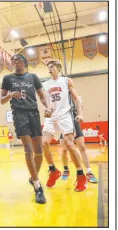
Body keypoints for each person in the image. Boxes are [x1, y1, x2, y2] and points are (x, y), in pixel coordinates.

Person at [0, 54, 51, 204]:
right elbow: (2, 100)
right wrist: (9, 95)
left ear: (24, 62)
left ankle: (33, 176)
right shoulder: (8, 79)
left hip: (34, 113)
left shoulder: (33, 77)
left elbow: (42, 95)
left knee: (39, 151)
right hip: (19, 115)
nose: (15, 63)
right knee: (28, 150)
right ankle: (37, 186)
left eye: (18, 60)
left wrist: (47, 107)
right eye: (13, 61)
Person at [41, 60, 87, 192]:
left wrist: (80, 114)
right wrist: (47, 108)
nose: (49, 69)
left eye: (52, 67)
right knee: (44, 143)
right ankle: (53, 170)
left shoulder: (66, 81)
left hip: (64, 115)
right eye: (48, 67)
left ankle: (80, 175)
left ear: (58, 68)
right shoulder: (46, 84)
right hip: (51, 117)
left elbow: (76, 98)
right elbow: (46, 101)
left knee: (69, 145)